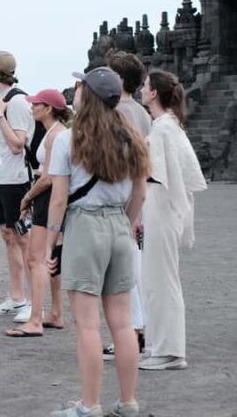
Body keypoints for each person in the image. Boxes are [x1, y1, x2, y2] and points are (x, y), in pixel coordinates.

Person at [45, 67, 150, 417]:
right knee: (122, 323)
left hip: (85, 227)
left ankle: (90, 405)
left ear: (86, 96)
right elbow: (140, 192)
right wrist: (129, 221)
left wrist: (51, 242)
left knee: (88, 325)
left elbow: (59, 199)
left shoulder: (68, 139)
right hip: (120, 227)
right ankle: (129, 402)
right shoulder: (131, 136)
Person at [138, 70, 206, 371]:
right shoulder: (168, 126)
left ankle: (169, 350)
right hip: (161, 206)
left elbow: (157, 174)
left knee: (160, 279)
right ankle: (159, 345)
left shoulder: (164, 128)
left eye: (145, 86)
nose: (142, 89)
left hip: (162, 206)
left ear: (154, 93)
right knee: (155, 279)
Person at [5, 89, 70, 337]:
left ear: (49, 108)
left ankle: (35, 319)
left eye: (36, 104)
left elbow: (50, 175)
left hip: (48, 194)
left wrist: (28, 195)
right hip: (52, 194)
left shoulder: (56, 135)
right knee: (51, 257)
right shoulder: (54, 132)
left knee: (36, 257)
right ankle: (55, 312)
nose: (31, 108)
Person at [102, 51, 153, 360]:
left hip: (122, 201)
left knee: (124, 272)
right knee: (135, 268)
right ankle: (138, 330)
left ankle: (132, 333)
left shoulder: (117, 112)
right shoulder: (143, 113)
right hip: (140, 197)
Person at [0, 50, 35, 319]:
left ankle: (35, 303)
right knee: (8, 236)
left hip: (15, 180)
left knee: (24, 239)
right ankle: (17, 297)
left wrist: (0, 116)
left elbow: (17, 145)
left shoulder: (17, 101)